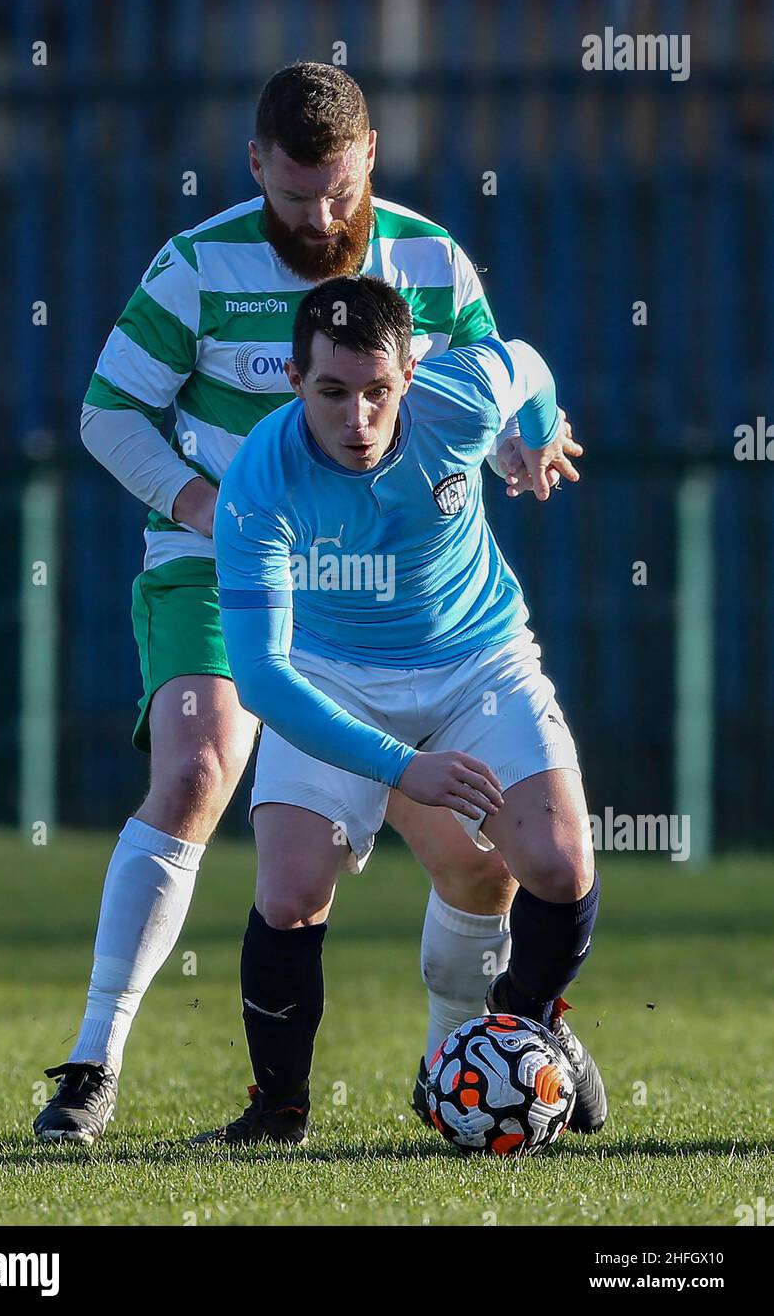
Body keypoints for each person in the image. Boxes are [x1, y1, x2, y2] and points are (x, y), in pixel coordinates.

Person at [32, 62, 577, 1145]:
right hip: (223, 557)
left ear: (368, 154)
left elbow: (499, 374)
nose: (318, 218)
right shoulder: (195, 264)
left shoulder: (427, 257)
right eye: (291, 198)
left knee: (474, 860)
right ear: (253, 168)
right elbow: (107, 411)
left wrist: (526, 439)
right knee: (194, 773)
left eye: (335, 192)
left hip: (381, 590)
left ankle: (470, 1056)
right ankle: (95, 1062)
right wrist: (203, 502)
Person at [193, 275, 605, 1147]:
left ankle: (520, 1022)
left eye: (378, 391)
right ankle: (278, 1112)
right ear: (294, 382)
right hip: (330, 673)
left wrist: (534, 437)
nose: (357, 417)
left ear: (411, 375)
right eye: (332, 392)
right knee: (292, 890)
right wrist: (401, 768)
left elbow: (526, 364)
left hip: (478, 661)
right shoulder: (257, 482)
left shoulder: (458, 399)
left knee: (562, 866)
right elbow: (262, 680)